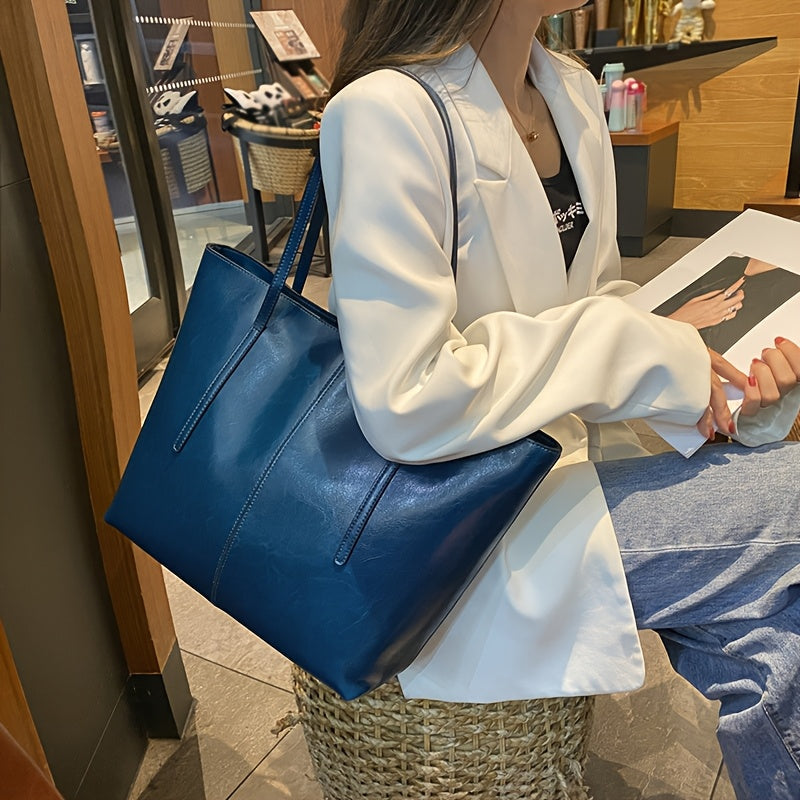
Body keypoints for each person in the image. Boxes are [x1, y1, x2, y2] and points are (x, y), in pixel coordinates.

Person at [319, 1, 800, 797]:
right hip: (454, 523)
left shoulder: (570, 90)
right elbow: (406, 398)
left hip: (568, 469)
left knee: (777, 639)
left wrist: (711, 396)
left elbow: (597, 300)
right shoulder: (386, 111)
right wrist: (642, 351)